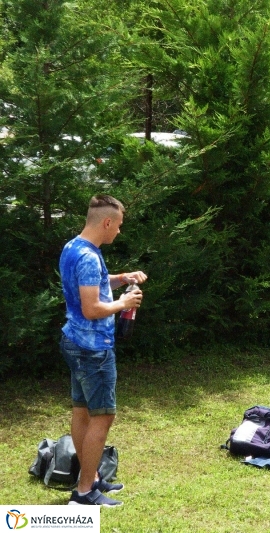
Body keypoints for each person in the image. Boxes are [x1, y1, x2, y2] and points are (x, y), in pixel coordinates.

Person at [59, 194, 147, 506]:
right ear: (107, 222)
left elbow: (93, 283)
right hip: (92, 349)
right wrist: (124, 302)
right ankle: (84, 492)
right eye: (119, 226)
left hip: (74, 341)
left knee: (82, 411)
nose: (119, 232)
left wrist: (121, 278)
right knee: (103, 417)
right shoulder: (89, 256)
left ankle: (91, 477)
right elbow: (92, 307)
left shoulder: (75, 247)